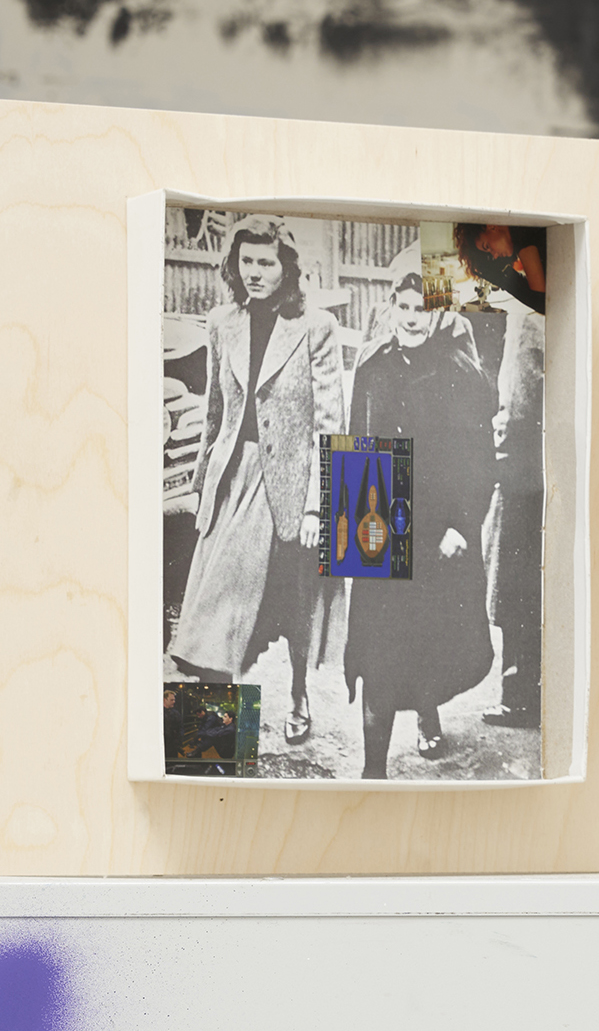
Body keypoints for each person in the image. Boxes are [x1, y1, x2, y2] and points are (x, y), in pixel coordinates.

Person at [164, 217, 343, 743]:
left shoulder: (316, 327)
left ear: (286, 268)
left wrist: (316, 505)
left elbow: (329, 425)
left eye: (266, 262)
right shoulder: (222, 322)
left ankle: (298, 693)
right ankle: (212, 748)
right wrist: (203, 487)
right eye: (247, 261)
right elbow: (215, 413)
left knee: (292, 608)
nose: (255, 273)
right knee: (212, 620)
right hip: (232, 483)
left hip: (288, 488)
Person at [342, 277, 499, 777]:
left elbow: (479, 462)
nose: (412, 318)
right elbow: (356, 445)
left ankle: (427, 711)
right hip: (381, 528)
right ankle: (373, 772)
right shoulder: (372, 367)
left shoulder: (461, 372)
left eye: (422, 309)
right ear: (391, 306)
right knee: (378, 653)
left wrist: (461, 525)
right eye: (404, 307)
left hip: (436, 535)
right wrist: (352, 535)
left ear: (439, 313)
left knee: (426, 646)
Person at [454, 223, 546, 732]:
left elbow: (519, 394)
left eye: (491, 246)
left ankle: (520, 697)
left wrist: (500, 444)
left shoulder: (527, 314)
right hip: (542, 461)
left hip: (521, 467)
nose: (492, 258)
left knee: (514, 584)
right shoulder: (535, 303)